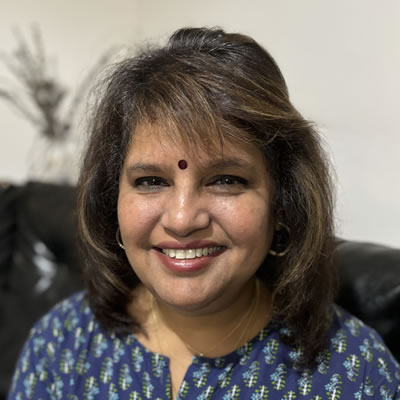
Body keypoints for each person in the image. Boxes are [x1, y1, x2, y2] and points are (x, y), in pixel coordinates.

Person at [7, 27, 399, 400]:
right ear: (112, 200)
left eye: (225, 180)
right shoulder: (62, 342)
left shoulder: (356, 373)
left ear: (283, 202)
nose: (181, 220)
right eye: (151, 181)